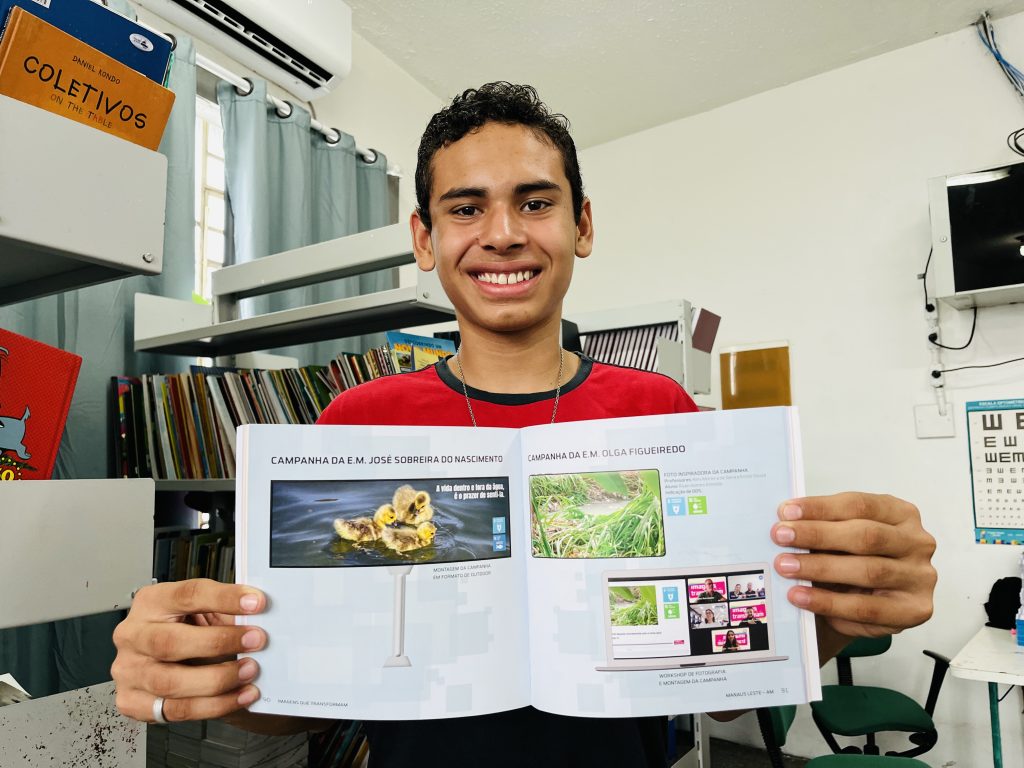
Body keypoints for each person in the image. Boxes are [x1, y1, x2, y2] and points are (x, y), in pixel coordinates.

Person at [111, 82, 938, 767]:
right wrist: (208, 675)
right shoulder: (357, 423)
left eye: (534, 202)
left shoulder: (658, 412)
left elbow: (726, 684)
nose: (502, 233)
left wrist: (832, 615)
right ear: (425, 239)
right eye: (465, 209)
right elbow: (302, 706)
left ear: (581, 224)